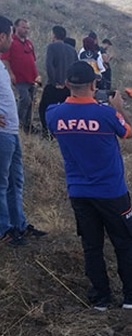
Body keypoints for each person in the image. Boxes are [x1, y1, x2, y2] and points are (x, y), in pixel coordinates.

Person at [45, 61, 132, 311]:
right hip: (112, 192)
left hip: (79, 192)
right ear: (94, 84)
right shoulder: (107, 114)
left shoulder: (53, 114)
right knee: (124, 241)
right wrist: (119, 109)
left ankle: (100, 297)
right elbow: (129, 134)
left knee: (92, 246)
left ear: (68, 84)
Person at [0, 15, 47, 247]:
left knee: (16, 181)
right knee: (2, 183)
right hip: (2, 135)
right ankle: (4, 231)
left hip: (11, 132)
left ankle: (18, 225)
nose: (11, 39)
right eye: (10, 34)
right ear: (3, 37)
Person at [0, 18, 39, 133]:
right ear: (16, 28)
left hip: (31, 78)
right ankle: (20, 122)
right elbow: (5, 59)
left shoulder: (29, 43)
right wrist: (11, 74)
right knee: (24, 99)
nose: (26, 30)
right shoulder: (11, 43)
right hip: (19, 78)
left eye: (27, 28)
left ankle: (28, 125)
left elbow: (33, 60)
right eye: (23, 27)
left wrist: (37, 76)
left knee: (31, 101)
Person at [38, 25, 77, 135]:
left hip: (54, 85)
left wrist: (55, 82)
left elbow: (49, 65)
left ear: (54, 35)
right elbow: (75, 68)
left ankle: (47, 131)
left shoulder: (52, 47)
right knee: (64, 111)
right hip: (67, 87)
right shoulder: (72, 50)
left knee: (44, 108)